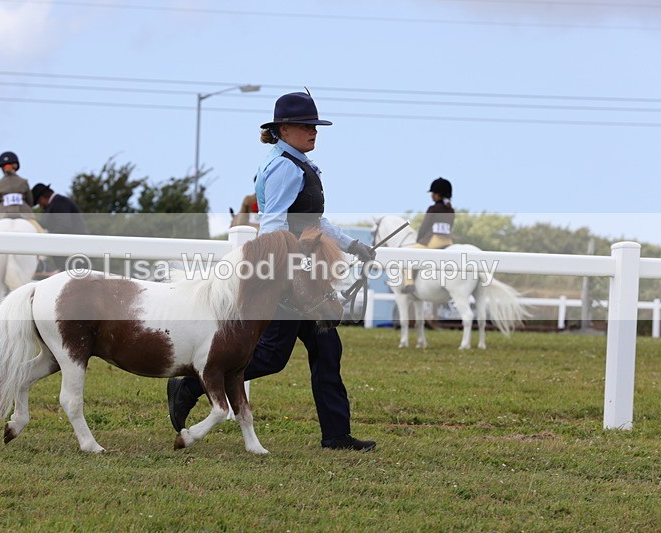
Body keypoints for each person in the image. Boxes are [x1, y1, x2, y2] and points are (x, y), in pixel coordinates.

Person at [167, 91, 377, 451]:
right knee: (270, 357)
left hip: (302, 275)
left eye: (315, 126)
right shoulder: (284, 167)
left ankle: (336, 436)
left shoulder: (297, 163)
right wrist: (283, 273)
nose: (314, 132)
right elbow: (274, 225)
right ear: (283, 129)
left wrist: (351, 245)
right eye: (305, 126)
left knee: (327, 348)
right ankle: (192, 383)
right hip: (289, 279)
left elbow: (314, 220)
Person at [403, 177, 455, 294]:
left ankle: (409, 283)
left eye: (433, 193)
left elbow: (424, 227)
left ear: (437, 195)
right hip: (448, 241)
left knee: (408, 255)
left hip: (434, 240)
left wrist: (418, 240)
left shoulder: (433, 208)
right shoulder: (450, 210)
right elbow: (450, 226)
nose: (431, 195)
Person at [30, 182, 89, 271]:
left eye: (39, 202)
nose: (40, 205)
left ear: (42, 198)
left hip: (72, 253)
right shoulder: (55, 204)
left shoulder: (60, 202)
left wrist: (48, 237)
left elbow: (64, 225)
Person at [0, 151, 40, 229]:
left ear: (2, 168)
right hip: (24, 212)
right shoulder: (23, 181)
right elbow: (30, 202)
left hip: (2, 214)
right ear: (15, 166)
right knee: (40, 231)